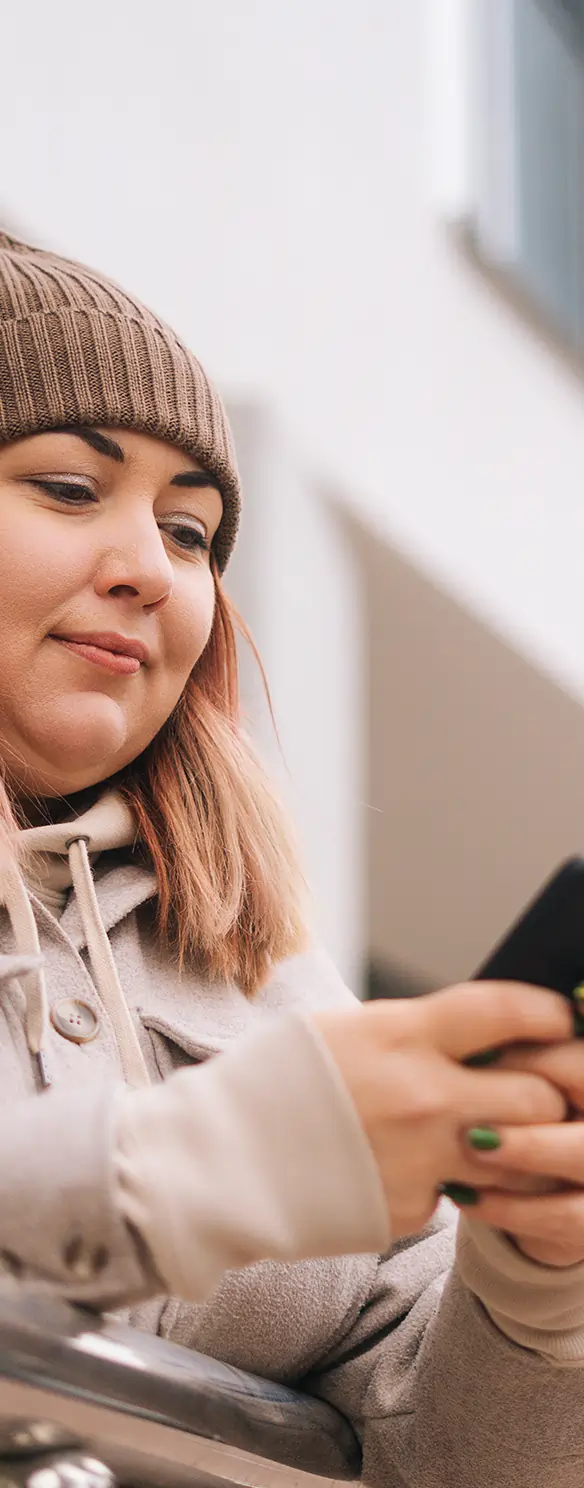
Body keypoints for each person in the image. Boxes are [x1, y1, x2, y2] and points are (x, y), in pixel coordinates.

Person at [0, 232, 583, 1487]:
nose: (149, 570)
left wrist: (536, 1293)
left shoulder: (257, 967)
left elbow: (462, 1462)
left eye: (192, 530)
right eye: (63, 488)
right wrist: (193, 1172)